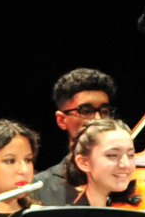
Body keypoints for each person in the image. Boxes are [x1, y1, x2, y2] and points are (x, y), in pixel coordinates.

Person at [37, 68, 120, 207]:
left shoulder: (126, 177)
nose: (98, 119)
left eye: (105, 112)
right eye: (86, 111)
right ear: (62, 120)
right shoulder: (41, 188)